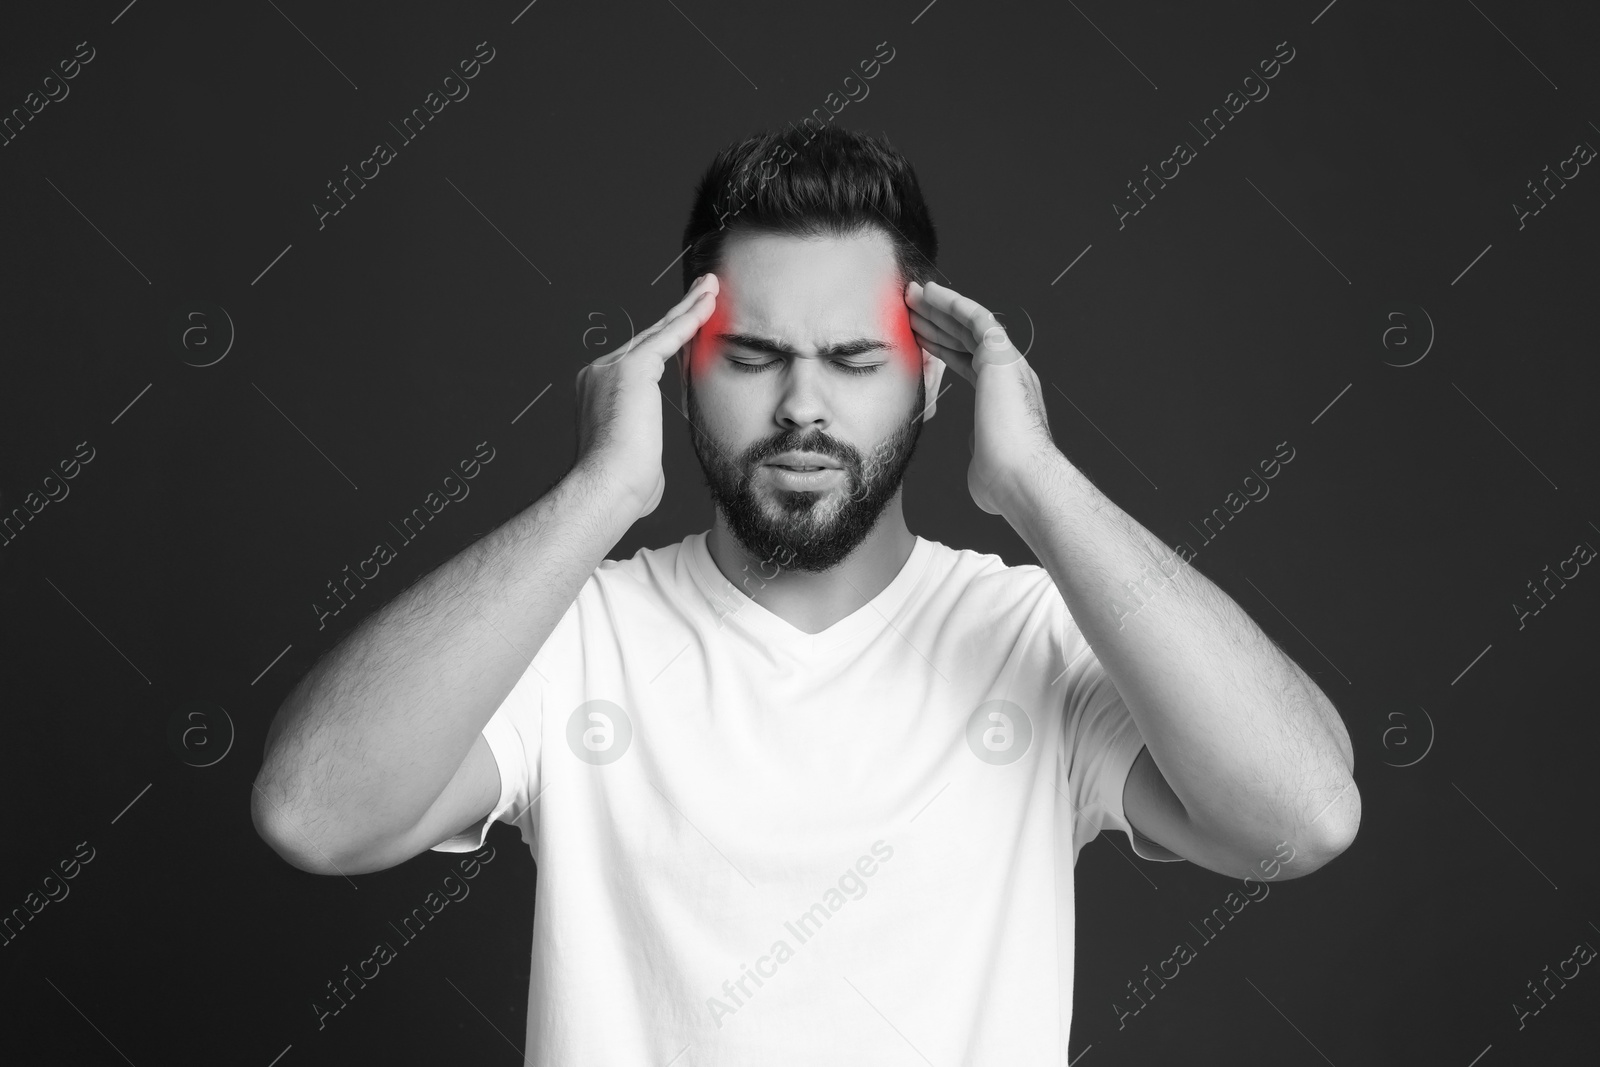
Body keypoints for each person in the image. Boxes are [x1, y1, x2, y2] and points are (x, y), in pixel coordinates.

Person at [252, 126, 1359, 1062]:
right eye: (751, 357)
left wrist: (1036, 485)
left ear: (932, 377)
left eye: (852, 358)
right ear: (681, 370)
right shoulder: (572, 637)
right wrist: (599, 492)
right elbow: (314, 814)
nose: (800, 406)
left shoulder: (1031, 635)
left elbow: (1300, 817)